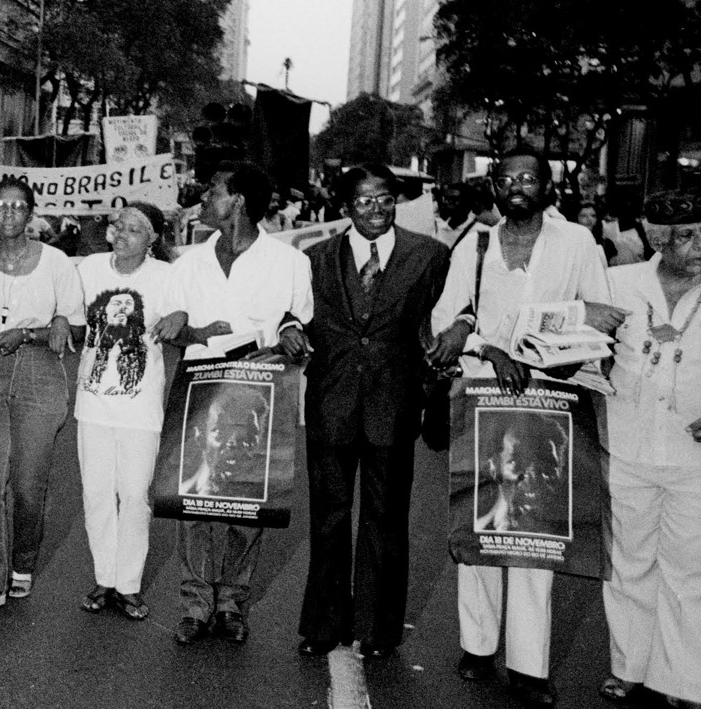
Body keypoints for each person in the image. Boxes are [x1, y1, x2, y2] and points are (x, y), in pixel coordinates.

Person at [428, 150, 621, 707]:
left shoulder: (576, 243)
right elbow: (448, 318)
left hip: (548, 398)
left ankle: (529, 666)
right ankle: (478, 646)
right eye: (507, 178)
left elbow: (600, 313)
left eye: (528, 178)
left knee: (535, 529)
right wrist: (487, 345)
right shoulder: (478, 244)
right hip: (485, 394)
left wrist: (562, 353)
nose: (517, 187)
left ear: (547, 185)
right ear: (493, 184)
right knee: (482, 520)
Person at [149, 160, 313, 645]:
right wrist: (192, 328)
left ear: (237, 201)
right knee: (194, 499)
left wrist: (289, 333)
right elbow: (171, 321)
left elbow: (299, 319)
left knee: (246, 502)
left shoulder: (289, 262)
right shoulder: (189, 261)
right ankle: (195, 604)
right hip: (200, 390)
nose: (203, 200)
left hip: (259, 392)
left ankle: (232, 604)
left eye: (211, 193)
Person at [296, 164, 450, 660]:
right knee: (328, 518)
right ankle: (323, 624)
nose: (377, 209)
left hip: (394, 404)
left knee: (386, 520)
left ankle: (379, 630)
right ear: (345, 207)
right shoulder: (314, 258)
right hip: (330, 404)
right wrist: (286, 329)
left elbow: (443, 322)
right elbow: (290, 313)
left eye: (385, 198)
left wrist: (438, 392)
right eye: (364, 201)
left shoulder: (428, 256)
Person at [0, 178, 82, 617]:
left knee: (29, 485)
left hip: (38, 369)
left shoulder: (58, 262)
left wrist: (34, 331)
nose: (8, 213)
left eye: (18, 206)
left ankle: (22, 563)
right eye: (0, 206)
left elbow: (75, 328)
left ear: (31, 214)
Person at [595, 191, 701, 709]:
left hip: (694, 457)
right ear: (658, 237)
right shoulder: (618, 284)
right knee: (628, 563)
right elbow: (581, 355)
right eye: (687, 235)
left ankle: (683, 680)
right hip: (626, 445)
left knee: (690, 568)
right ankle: (629, 666)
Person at [73, 201, 179, 623]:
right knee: (97, 492)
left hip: (140, 406)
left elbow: (185, 318)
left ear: (153, 239)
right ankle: (104, 577)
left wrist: (181, 319)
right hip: (93, 403)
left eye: (135, 228)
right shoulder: (89, 269)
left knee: (135, 495)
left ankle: (128, 585)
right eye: (119, 224)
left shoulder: (167, 277)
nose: (122, 233)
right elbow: (67, 312)